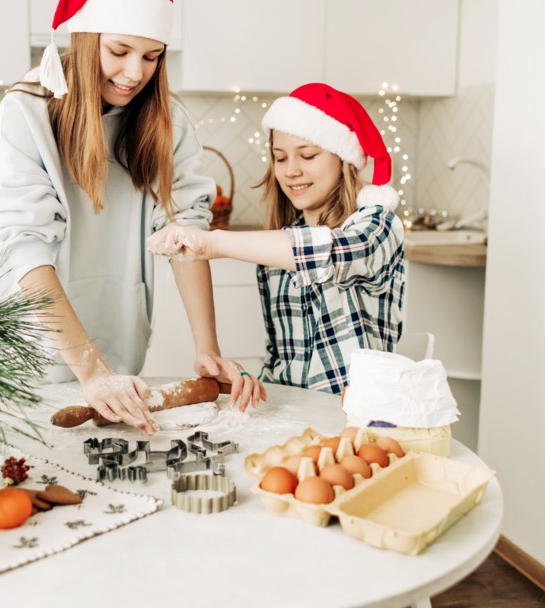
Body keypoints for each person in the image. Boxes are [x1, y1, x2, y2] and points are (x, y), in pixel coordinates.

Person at [0, 0, 265, 434]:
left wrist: (207, 349)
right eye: (120, 51)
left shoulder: (164, 124)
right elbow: (26, 250)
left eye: (152, 57)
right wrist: (91, 371)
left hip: (115, 356)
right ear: (86, 39)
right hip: (22, 352)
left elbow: (185, 233)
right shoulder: (26, 112)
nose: (135, 73)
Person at [148, 83, 405, 395]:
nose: (291, 170)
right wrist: (250, 385)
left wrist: (211, 243)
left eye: (308, 155)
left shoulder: (377, 225)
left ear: (344, 158)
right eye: (280, 158)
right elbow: (284, 361)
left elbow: (329, 253)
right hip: (302, 416)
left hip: (358, 417)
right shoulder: (277, 251)